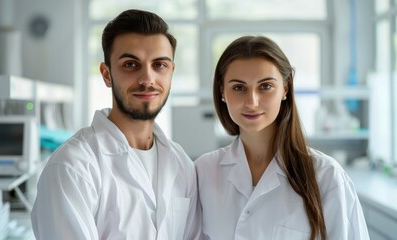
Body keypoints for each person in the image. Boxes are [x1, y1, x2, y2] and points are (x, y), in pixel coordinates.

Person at [31, 9, 200, 240]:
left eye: (159, 65)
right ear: (106, 74)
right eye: (131, 64)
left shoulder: (182, 164)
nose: (147, 79)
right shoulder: (72, 167)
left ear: (171, 71)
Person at [195, 35, 369, 240]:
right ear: (222, 91)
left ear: (285, 89)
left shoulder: (326, 176)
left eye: (265, 86)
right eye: (239, 88)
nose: (252, 102)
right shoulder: (203, 172)